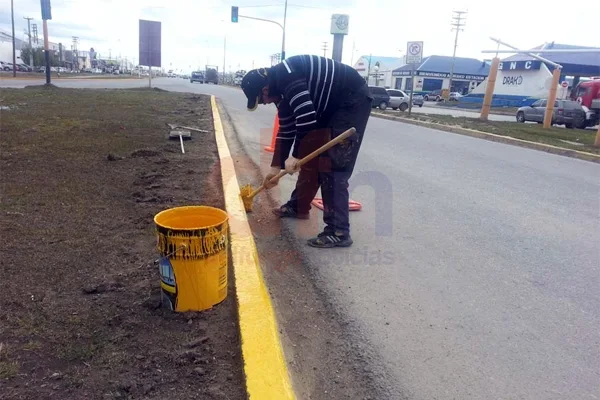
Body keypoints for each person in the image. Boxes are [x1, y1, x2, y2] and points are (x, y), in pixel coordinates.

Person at [241, 54, 372, 248]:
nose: (265, 104)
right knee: (312, 158)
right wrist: (275, 169)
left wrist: (295, 156)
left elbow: (306, 118)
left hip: (352, 101)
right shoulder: (281, 94)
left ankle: (338, 231)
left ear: (265, 89)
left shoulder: (287, 77)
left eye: (261, 100)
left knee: (332, 163)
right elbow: (286, 129)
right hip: (330, 107)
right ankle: (298, 206)